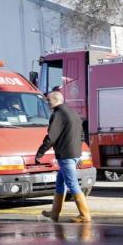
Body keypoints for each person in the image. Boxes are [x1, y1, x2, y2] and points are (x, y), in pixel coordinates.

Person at [36, 90, 91, 223]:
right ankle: (54, 214)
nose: (47, 102)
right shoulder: (73, 113)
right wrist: (78, 155)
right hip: (73, 154)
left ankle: (85, 215)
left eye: (49, 100)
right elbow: (81, 136)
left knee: (72, 184)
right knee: (60, 183)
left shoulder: (58, 114)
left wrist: (40, 153)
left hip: (66, 156)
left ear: (55, 100)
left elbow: (51, 137)